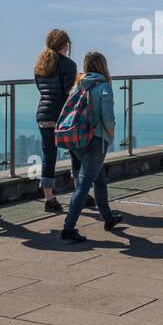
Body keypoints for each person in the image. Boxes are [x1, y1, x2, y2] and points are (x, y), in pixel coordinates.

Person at [59, 52, 123, 243]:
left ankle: (108, 218)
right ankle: (68, 228)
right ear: (103, 66)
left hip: (77, 139)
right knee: (85, 183)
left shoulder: (77, 85)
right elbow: (108, 118)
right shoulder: (104, 87)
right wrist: (110, 136)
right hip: (96, 139)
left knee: (99, 178)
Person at [34, 28, 83, 214]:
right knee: (76, 152)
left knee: (49, 155)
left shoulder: (39, 65)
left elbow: (41, 89)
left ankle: (49, 198)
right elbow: (69, 92)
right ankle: (80, 192)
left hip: (43, 114)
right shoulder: (68, 65)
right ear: (65, 45)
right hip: (63, 115)